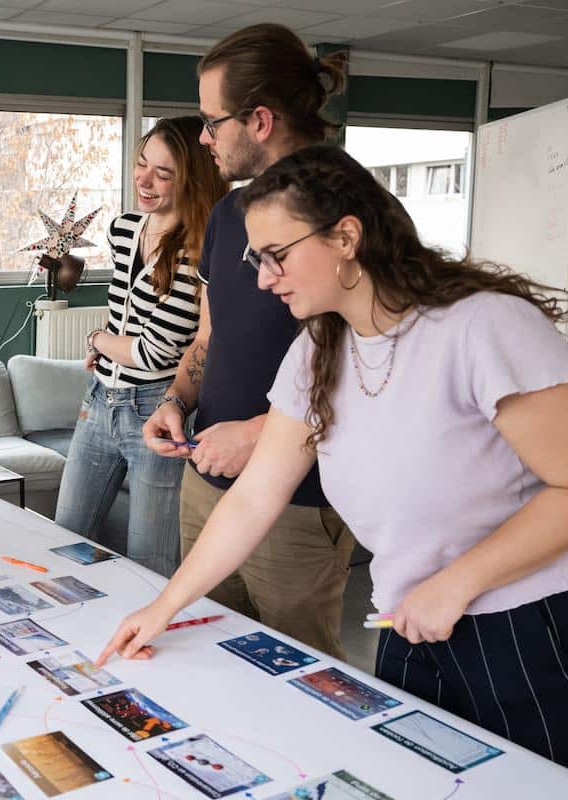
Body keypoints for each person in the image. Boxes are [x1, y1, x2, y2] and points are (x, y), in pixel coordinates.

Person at [101, 144, 568, 785]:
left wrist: (457, 583)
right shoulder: (318, 349)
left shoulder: (481, 326)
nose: (264, 279)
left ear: (346, 236)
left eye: (277, 256)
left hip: (531, 619)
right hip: (411, 618)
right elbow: (253, 496)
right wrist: (166, 606)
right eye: (254, 259)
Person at [140, 24, 355, 656]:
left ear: (259, 120)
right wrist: (178, 397)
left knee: (296, 672)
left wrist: (259, 434)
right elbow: (212, 331)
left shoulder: (341, 209)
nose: (202, 137)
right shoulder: (231, 212)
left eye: (212, 122)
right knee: (206, 654)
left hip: (294, 502)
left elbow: (366, 364)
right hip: (207, 482)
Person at [54, 116, 226, 577]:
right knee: (64, 540)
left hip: (155, 407)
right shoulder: (124, 229)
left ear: (192, 178)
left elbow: (154, 352)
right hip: (99, 401)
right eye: (141, 164)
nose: (144, 180)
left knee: (149, 563)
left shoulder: (197, 250)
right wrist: (107, 347)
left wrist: (96, 339)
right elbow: (122, 308)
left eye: (163, 173)